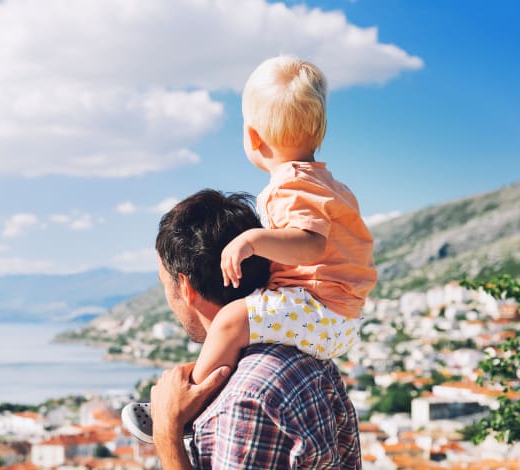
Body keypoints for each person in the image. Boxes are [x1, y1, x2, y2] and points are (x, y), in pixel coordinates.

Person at [122, 55, 376, 443]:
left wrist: (252, 240)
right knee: (242, 324)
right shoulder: (330, 185)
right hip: (338, 315)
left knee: (231, 320)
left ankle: (186, 414)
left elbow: (311, 246)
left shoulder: (289, 186)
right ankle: (193, 383)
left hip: (324, 312)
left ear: (254, 138)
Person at [148, 188, 361, 470]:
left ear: (185, 287)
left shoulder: (252, 399)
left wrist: (167, 434)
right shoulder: (305, 358)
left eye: (164, 283)